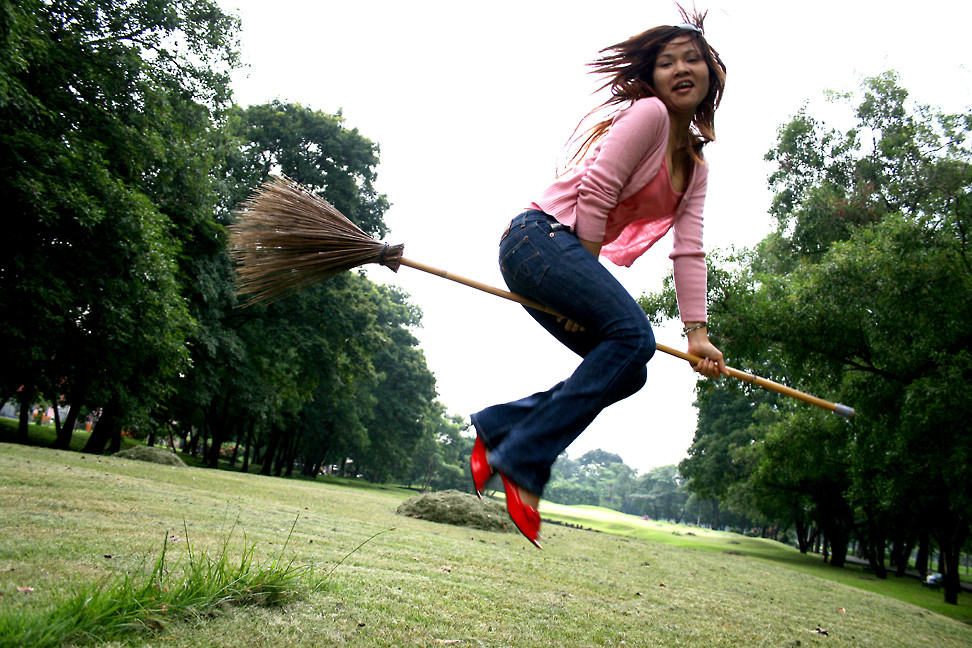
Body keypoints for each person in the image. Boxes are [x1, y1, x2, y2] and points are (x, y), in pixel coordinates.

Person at [469, 10, 729, 548]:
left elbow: (689, 250)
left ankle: (499, 426)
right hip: (536, 240)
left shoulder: (697, 168)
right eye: (666, 61)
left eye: (692, 58)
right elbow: (598, 190)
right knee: (633, 337)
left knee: (629, 370)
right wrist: (580, 277)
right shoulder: (649, 115)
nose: (681, 68)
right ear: (653, 77)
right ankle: (522, 459)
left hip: (564, 255)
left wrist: (697, 334)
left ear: (710, 73)